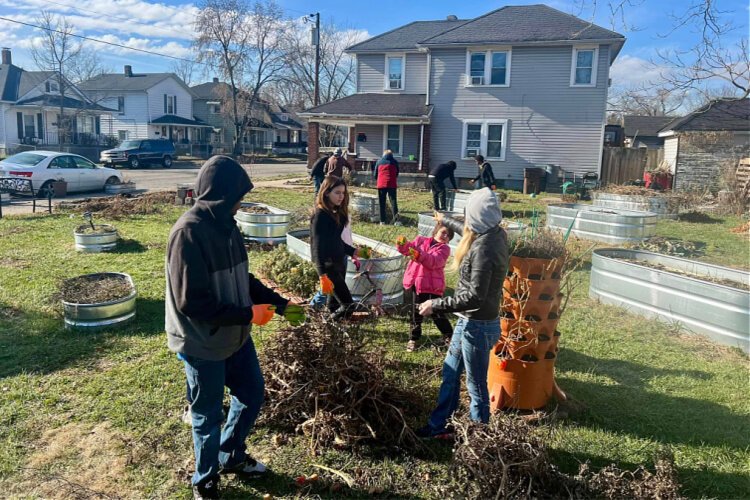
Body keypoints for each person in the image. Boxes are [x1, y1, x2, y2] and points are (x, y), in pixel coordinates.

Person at [165, 155, 305, 500]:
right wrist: (248, 315)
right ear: (220, 195)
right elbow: (191, 303)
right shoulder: (188, 233)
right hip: (202, 343)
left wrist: (281, 303)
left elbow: (245, 279)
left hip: (236, 337)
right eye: (236, 197)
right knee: (207, 415)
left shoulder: (228, 225)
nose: (240, 203)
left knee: (252, 394)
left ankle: (231, 455)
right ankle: (206, 480)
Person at [415, 188, 508, 439]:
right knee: (450, 374)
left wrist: (436, 304)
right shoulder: (494, 233)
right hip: (469, 323)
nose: (466, 220)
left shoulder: (483, 250)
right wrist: (443, 220)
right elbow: (464, 227)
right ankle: (439, 426)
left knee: (476, 387)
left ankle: (479, 443)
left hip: (477, 326)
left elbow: (474, 297)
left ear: (476, 218)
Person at [396, 222, 455, 352]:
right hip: (415, 283)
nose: (445, 236)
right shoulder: (420, 240)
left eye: (448, 235)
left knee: (437, 313)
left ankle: (450, 336)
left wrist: (418, 254)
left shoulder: (444, 249)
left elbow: (433, 262)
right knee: (415, 313)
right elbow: (408, 250)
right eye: (443, 232)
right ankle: (413, 339)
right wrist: (402, 244)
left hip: (431, 286)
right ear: (436, 231)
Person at [310, 176, 359, 319]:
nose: (341, 197)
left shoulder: (335, 213)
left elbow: (335, 240)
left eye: (343, 193)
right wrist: (322, 275)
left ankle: (332, 332)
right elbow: (317, 246)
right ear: (326, 192)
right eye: (337, 193)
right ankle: (327, 326)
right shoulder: (320, 216)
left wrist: (353, 251)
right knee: (348, 305)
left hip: (339, 262)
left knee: (334, 306)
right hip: (328, 266)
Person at [373, 150, 400, 224]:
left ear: (383, 155)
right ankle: (396, 221)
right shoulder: (394, 162)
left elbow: (375, 174)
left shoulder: (379, 162)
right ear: (391, 155)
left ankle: (382, 221)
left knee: (382, 203)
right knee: (393, 202)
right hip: (392, 184)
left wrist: (378, 179)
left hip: (381, 184)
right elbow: (397, 173)